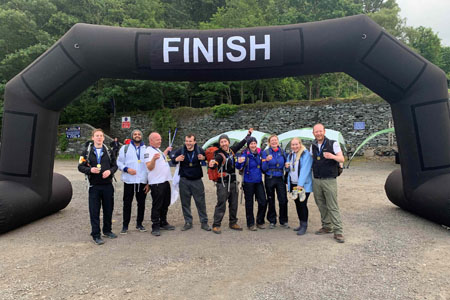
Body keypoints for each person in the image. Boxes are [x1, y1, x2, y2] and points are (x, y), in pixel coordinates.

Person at [208, 128, 253, 234]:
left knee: (234, 204)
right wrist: (212, 165)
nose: (224, 144)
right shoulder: (218, 154)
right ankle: (216, 224)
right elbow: (216, 162)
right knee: (221, 203)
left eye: (225, 141)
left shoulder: (232, 151)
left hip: (233, 182)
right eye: (222, 142)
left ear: (228, 142)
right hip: (222, 183)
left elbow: (241, 143)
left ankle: (233, 222)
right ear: (220, 144)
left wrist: (248, 135)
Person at [78, 129, 118, 245]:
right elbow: (80, 167)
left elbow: (115, 166)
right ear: (93, 138)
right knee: (94, 211)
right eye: (97, 136)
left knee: (108, 209)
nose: (99, 138)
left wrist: (110, 172)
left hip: (107, 185)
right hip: (94, 186)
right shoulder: (86, 152)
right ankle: (96, 234)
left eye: (101, 136)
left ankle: (107, 230)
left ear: (103, 138)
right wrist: (90, 170)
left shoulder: (109, 151)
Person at [310, 123, 345, 243]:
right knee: (321, 204)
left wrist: (332, 156)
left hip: (329, 179)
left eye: (320, 131)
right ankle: (326, 226)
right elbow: (310, 160)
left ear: (324, 132)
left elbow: (342, 159)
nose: (318, 133)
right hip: (317, 179)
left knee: (332, 205)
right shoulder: (313, 145)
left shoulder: (333, 143)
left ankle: (338, 231)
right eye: (316, 132)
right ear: (313, 133)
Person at [172, 134, 211, 231]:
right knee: (185, 203)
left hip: (197, 180)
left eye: (190, 141)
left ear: (194, 142)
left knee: (200, 202)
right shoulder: (180, 151)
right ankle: (188, 222)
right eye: (187, 141)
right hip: (184, 180)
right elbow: (173, 161)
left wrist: (204, 159)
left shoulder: (199, 150)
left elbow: (208, 158)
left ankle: (204, 222)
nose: (188, 143)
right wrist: (176, 159)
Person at [116, 129, 149, 234]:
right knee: (127, 204)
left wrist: (149, 182)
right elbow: (119, 162)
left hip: (142, 181)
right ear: (132, 136)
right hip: (129, 181)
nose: (137, 136)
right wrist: (126, 169)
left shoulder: (146, 149)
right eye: (135, 134)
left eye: (139, 134)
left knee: (141, 203)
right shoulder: (125, 148)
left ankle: (139, 224)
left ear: (141, 136)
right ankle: (125, 226)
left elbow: (149, 167)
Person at [145, 132, 174, 236]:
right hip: (157, 183)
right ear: (151, 141)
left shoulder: (157, 150)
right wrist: (153, 159)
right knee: (157, 205)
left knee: (165, 203)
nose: (160, 141)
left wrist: (166, 151)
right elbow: (149, 167)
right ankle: (155, 226)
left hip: (165, 181)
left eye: (160, 139)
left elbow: (161, 157)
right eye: (158, 139)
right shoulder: (148, 151)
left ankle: (163, 222)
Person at [236, 136, 267, 231]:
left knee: (263, 201)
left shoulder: (260, 153)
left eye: (254, 143)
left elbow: (264, 167)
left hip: (258, 181)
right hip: (248, 182)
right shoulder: (244, 154)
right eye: (251, 143)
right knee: (249, 204)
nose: (253, 145)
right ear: (248, 145)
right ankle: (250, 223)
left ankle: (260, 221)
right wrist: (239, 162)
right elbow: (238, 166)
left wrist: (266, 160)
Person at [286, 138, 313, 235]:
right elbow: (290, 170)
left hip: (302, 185)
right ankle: (301, 223)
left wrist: (300, 185)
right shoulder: (291, 155)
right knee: (297, 203)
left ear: (300, 144)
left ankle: (304, 225)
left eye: (296, 144)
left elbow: (305, 170)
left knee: (302, 204)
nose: (294, 146)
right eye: (293, 145)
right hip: (293, 184)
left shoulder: (306, 155)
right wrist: (287, 167)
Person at [261, 135, 289, 229]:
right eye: (272, 140)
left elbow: (286, 165)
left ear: (278, 141)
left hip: (280, 178)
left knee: (283, 199)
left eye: (275, 140)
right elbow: (263, 168)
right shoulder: (266, 152)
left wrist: (287, 166)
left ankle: (283, 220)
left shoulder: (282, 152)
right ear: (269, 142)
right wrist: (266, 161)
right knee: (270, 199)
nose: (274, 142)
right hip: (270, 177)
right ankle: (272, 220)